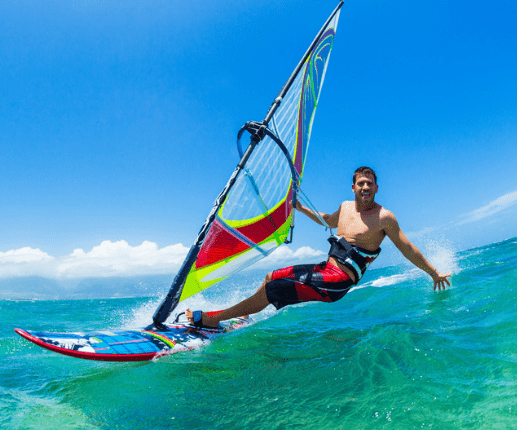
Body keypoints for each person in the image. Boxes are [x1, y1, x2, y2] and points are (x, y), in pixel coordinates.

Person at [186, 166, 451, 328]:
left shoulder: (384, 218)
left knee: (272, 289)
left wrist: (433, 272)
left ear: (377, 188)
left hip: (337, 283)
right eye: (361, 183)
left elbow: (407, 248)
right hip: (325, 269)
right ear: (353, 187)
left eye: (370, 184)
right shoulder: (346, 208)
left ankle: (213, 318)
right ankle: (243, 314)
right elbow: (326, 220)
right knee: (271, 277)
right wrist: (299, 208)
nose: (366, 187)